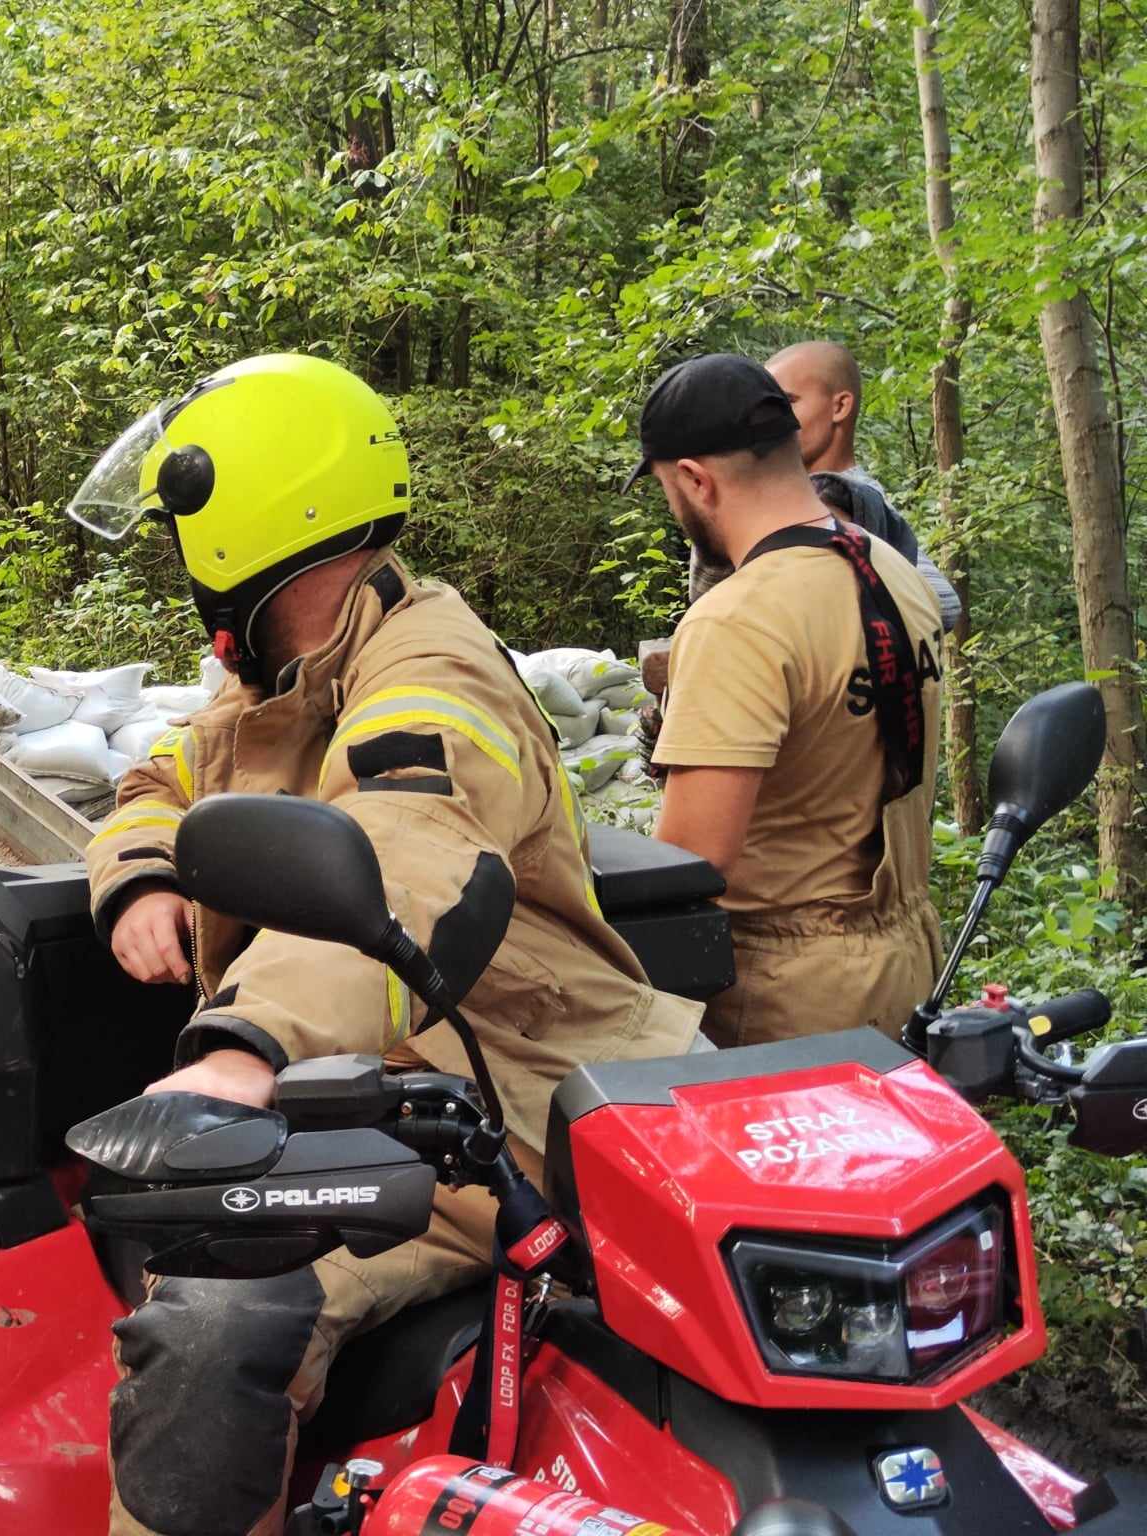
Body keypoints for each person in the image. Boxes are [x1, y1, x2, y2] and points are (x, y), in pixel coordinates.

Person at [68, 353, 704, 1536]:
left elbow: (404, 844)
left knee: (212, 1315)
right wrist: (140, 877)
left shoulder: (431, 671)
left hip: (493, 1093)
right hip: (374, 1086)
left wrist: (244, 1043)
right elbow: (161, 777)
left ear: (235, 527)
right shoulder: (293, 674)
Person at [628, 353, 946, 1049]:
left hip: (789, 1001)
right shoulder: (892, 569)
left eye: (664, 491)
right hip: (910, 968)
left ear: (693, 479)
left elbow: (687, 867)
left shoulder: (737, 619)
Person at [686, 340, 962, 629]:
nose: (768, 420)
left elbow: (945, 606)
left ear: (840, 406)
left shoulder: (850, 498)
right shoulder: (854, 496)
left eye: (786, 403)